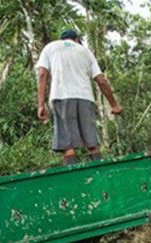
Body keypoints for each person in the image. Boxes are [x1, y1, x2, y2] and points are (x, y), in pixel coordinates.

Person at [36, 29, 122, 166]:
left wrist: (41, 104)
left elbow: (42, 74)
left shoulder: (51, 47)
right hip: (85, 98)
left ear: (62, 39)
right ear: (76, 39)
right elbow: (101, 80)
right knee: (92, 144)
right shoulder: (85, 52)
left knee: (68, 146)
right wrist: (114, 105)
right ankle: (101, 177)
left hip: (61, 96)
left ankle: (75, 183)